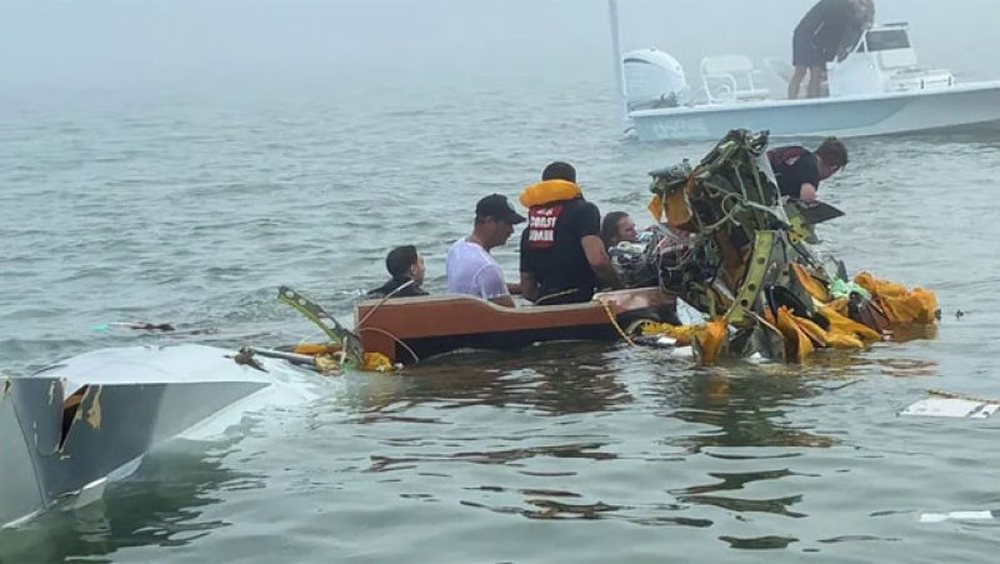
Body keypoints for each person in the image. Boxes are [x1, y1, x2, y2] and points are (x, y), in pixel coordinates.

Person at [519, 162, 624, 305]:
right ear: (573, 184)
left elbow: (527, 287)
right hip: (580, 300)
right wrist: (620, 288)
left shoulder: (531, 228)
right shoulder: (584, 210)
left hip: (545, 304)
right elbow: (598, 260)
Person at [446, 194, 525, 308]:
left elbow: (481, 286)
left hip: (461, 318)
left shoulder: (457, 248)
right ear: (489, 221)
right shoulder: (487, 267)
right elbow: (511, 317)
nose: (511, 230)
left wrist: (521, 288)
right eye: (508, 224)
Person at [787, 0, 875, 99]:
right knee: (801, 70)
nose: (862, 8)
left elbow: (850, 33)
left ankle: (813, 102)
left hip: (820, 41)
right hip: (806, 36)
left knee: (817, 74)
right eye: (861, 4)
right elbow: (831, 29)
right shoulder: (837, 6)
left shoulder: (854, 15)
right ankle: (791, 99)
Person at [767, 137, 848, 201]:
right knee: (796, 220)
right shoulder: (811, 170)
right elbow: (807, 201)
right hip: (764, 194)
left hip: (761, 182)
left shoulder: (801, 155)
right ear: (834, 167)